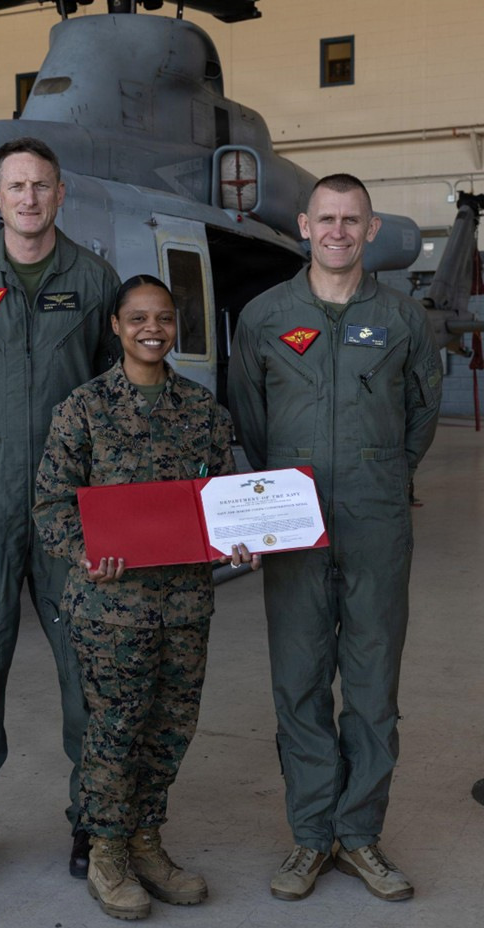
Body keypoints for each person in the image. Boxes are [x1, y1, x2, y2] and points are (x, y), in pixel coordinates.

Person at [228, 174, 443, 903]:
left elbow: (422, 413)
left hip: (376, 520)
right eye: (327, 219)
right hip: (292, 522)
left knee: (374, 683)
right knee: (299, 681)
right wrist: (278, 495)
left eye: (352, 220)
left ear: (371, 229)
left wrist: (382, 475)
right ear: (304, 226)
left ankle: (360, 836)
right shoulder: (264, 316)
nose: (339, 232)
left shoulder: (406, 319)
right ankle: (311, 836)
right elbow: (250, 421)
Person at [0, 136, 120, 889]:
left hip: (70, 503)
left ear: (60, 195)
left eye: (42, 185)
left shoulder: (95, 280)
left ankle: (92, 822)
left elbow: (110, 387)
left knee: (88, 669)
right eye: (16, 186)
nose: (29, 198)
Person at [34, 275, 259, 920]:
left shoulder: (202, 411)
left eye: (163, 318)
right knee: (115, 730)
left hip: (186, 604)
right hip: (112, 608)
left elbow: (223, 503)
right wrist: (83, 551)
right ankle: (106, 851)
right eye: (137, 319)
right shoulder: (84, 408)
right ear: (116, 327)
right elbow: (50, 506)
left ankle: (147, 839)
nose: (151, 329)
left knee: (171, 730)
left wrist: (239, 541)